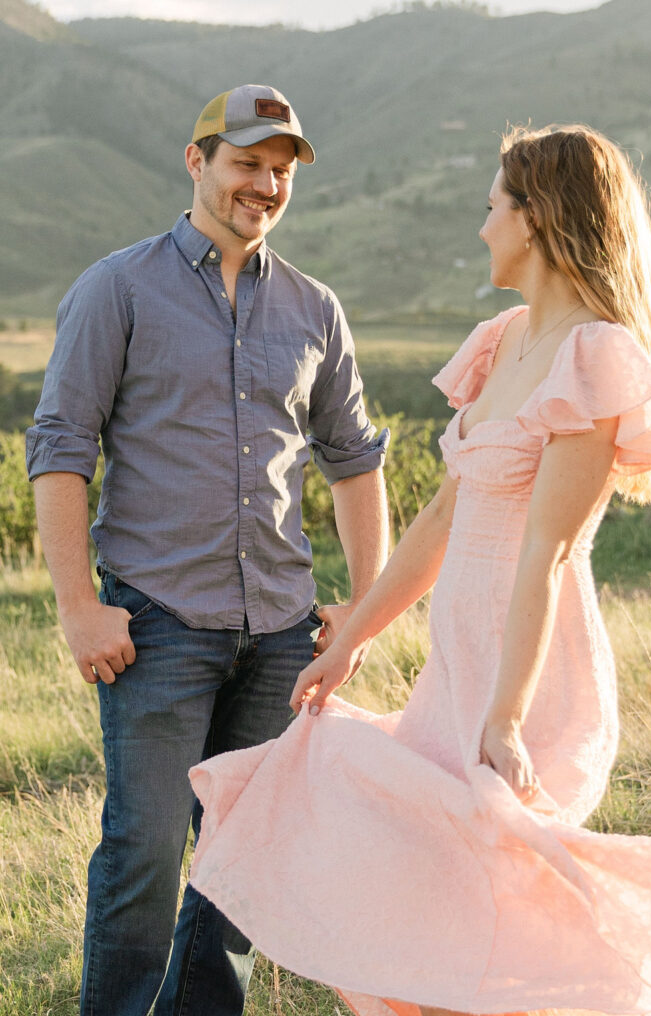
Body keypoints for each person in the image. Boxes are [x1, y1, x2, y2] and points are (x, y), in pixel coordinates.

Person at [187, 124, 651, 1016]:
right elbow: (445, 515)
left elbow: (550, 548)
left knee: (480, 908)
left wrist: (505, 716)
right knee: (411, 894)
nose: (481, 225)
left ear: (533, 221)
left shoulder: (594, 355)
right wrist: (353, 639)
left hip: (528, 667)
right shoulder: (501, 339)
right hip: (458, 662)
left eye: (492, 206)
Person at [26, 84, 389, 1016]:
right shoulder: (119, 288)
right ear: (197, 162)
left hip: (278, 631)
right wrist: (78, 605)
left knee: (239, 868)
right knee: (145, 853)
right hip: (156, 624)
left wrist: (364, 600)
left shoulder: (317, 308)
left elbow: (353, 462)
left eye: (279, 172)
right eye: (246, 163)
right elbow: (62, 447)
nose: (263, 186)